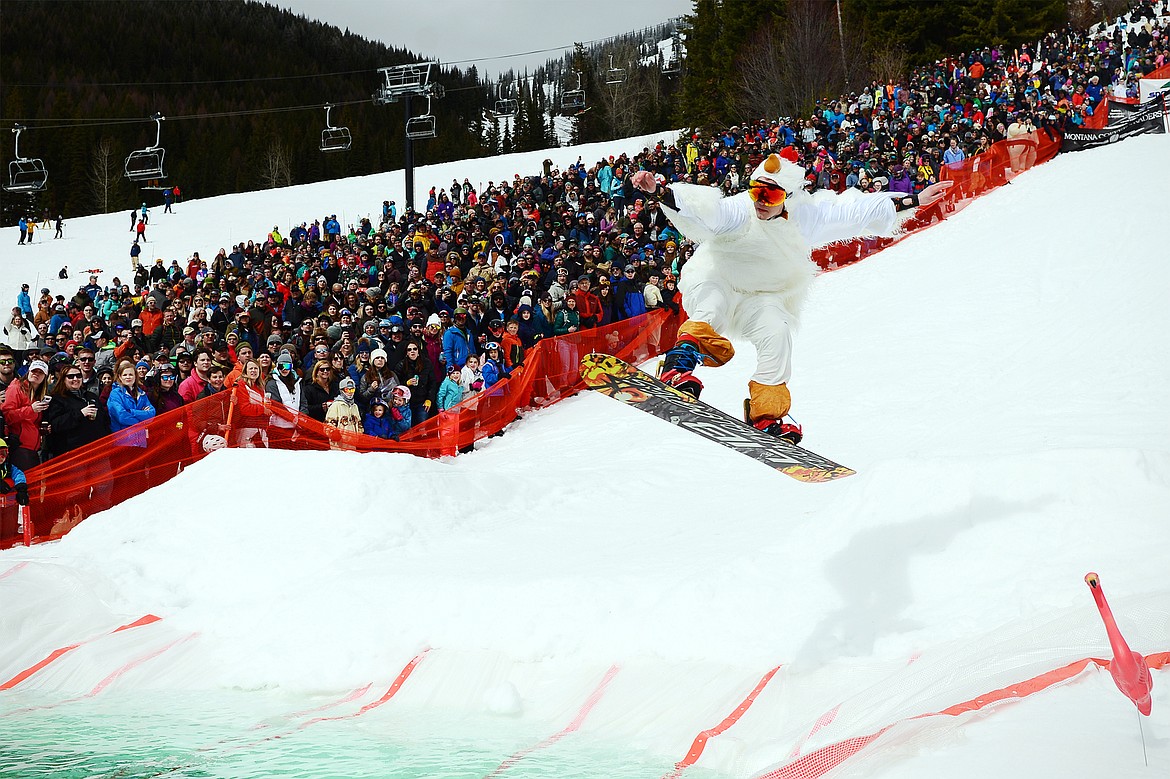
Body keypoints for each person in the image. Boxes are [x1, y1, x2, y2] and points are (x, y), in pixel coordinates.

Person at [633, 150, 952, 441]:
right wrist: (662, 192)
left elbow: (852, 212)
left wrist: (912, 200)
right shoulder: (739, 210)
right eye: (757, 190)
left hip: (760, 297)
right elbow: (707, 213)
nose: (760, 200)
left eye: (770, 194)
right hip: (719, 279)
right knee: (712, 307)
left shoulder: (806, 217)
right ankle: (678, 365)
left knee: (778, 332)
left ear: (786, 196)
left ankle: (766, 413)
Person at [44, 364, 107, 459]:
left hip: (96, 449)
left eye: (78, 376)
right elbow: (56, 424)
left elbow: (104, 420)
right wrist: (80, 413)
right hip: (72, 452)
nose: (75, 379)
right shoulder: (57, 399)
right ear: (63, 379)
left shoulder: (91, 396)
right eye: (70, 376)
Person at [1, 359, 50, 470]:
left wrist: (42, 429)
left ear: (45, 377)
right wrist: (31, 409)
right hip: (19, 446)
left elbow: (31, 422)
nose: (36, 374)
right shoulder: (16, 387)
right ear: (28, 372)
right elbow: (7, 416)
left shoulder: (38, 394)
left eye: (40, 372)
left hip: (33, 448)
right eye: (34, 371)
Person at [107, 359, 156, 448]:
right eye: (125, 375)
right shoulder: (115, 394)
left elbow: (152, 413)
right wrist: (141, 420)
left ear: (135, 376)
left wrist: (132, 411)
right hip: (123, 441)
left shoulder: (141, 393)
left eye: (130, 374)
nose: (128, 377)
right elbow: (122, 416)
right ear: (120, 377)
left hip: (140, 440)